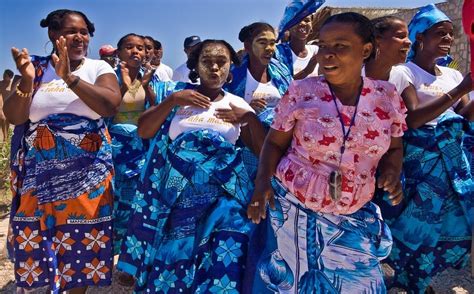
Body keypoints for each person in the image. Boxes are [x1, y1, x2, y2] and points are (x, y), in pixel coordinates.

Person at [247, 12, 407, 293]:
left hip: (354, 215)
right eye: (323, 46)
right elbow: (274, 143)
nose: (327, 55)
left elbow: (394, 147)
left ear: (366, 50)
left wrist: (392, 171)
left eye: (340, 47)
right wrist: (261, 185)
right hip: (296, 211)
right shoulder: (302, 92)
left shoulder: (387, 96)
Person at [117, 39, 265, 292]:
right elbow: (144, 130)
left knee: (221, 261)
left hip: (224, 201)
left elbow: (262, 152)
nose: (215, 68)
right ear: (195, 66)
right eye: (207, 62)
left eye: (222, 62)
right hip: (176, 199)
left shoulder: (237, 104)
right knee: (175, 261)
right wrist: (172, 100)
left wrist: (249, 118)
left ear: (231, 67)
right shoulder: (177, 94)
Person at [4, 9, 121, 293]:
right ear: (53, 35)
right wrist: (28, 81)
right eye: (71, 31)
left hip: (88, 173)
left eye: (84, 32)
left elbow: (109, 105)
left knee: (81, 237)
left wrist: (70, 78)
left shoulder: (98, 69)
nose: (79, 37)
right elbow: (15, 116)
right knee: (38, 232)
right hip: (39, 172)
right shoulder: (36, 68)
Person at [376, 5, 474, 293]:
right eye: (439, 33)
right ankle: (405, 279)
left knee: (446, 225)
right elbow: (413, 117)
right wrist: (459, 91)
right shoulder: (403, 72)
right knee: (411, 225)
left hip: (452, 162)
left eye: (451, 34)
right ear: (419, 37)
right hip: (418, 162)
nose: (447, 38)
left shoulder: (452, 75)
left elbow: (465, 114)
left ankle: (423, 280)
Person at [225, 22, 292, 179]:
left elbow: (294, 101)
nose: (269, 48)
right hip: (247, 148)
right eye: (262, 42)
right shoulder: (232, 75)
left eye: (272, 43)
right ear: (247, 46)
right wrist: (246, 108)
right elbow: (220, 108)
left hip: (282, 145)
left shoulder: (281, 71)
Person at [364, 16, 411, 85]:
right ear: (377, 40)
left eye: (407, 37)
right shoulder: (352, 74)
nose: (409, 42)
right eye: (401, 36)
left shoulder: (400, 77)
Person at [0, 69, 19, 141]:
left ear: (10, 77)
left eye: (5, 75)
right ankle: (4, 134)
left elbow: (17, 95)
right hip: (2, 104)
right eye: (4, 74)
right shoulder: (0, 83)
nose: (4, 76)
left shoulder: (13, 85)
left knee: (7, 120)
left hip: (10, 106)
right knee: (2, 119)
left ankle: (6, 136)